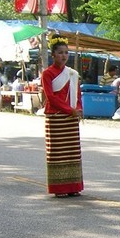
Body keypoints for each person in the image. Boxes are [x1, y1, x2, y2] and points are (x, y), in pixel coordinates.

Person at [40, 35, 84, 197]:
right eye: (60, 53)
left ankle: (73, 186)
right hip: (56, 117)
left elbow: (78, 95)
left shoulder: (72, 74)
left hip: (71, 117)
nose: (64, 56)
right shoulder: (47, 74)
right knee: (57, 152)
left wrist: (78, 109)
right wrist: (68, 110)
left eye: (66, 53)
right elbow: (50, 97)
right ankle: (59, 188)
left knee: (72, 151)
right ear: (53, 55)